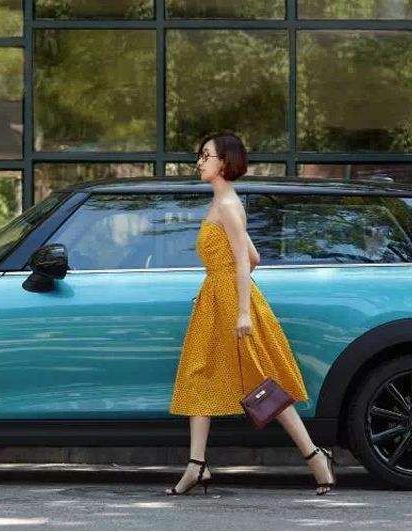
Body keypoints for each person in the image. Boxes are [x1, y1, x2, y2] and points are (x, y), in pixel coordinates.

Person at [164, 131, 337, 496]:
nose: (199, 161)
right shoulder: (222, 202)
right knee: (199, 375)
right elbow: (254, 256)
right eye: (200, 155)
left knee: (261, 381)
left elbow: (244, 262)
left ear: (224, 162)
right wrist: (219, 283)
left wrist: (242, 309)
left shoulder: (227, 204)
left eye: (206, 155)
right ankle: (196, 465)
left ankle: (314, 455)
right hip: (216, 298)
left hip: (231, 302)